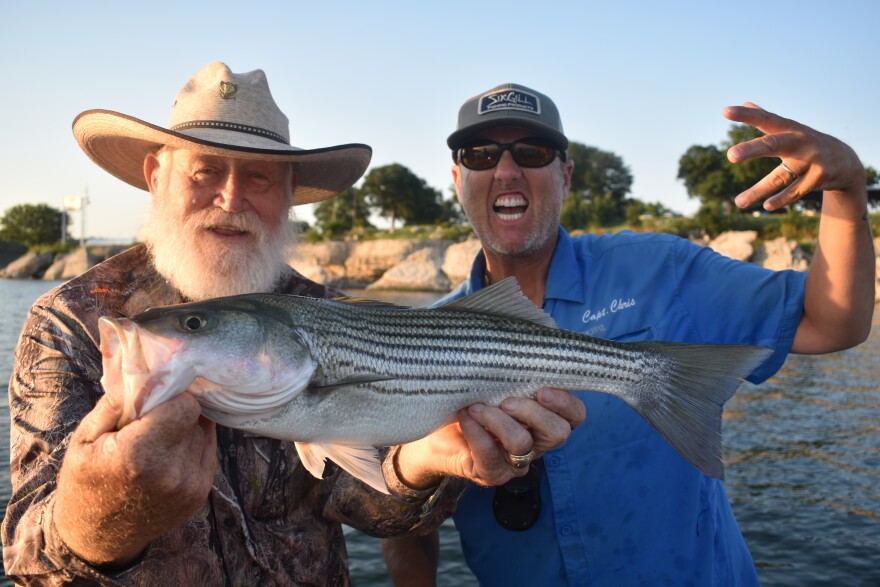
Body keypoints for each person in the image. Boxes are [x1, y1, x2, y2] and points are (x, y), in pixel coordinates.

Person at [1, 66, 585, 585]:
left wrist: (421, 462)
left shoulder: (325, 310)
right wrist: (105, 510)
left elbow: (358, 504)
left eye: (258, 177)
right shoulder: (69, 322)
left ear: (288, 194)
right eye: (205, 170)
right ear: (156, 175)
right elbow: (26, 559)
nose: (230, 199)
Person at [383, 83, 875, 585]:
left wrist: (845, 192)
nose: (507, 171)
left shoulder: (661, 269)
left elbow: (833, 322)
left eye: (532, 152)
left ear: (566, 175)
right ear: (456, 179)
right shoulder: (410, 341)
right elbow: (402, 525)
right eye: (480, 155)